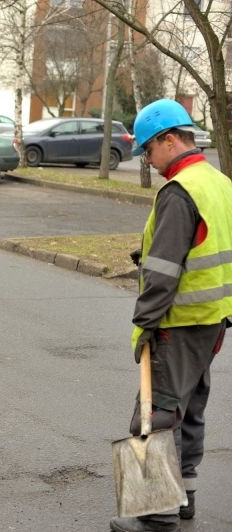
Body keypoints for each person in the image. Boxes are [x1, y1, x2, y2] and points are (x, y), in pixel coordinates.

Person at [111, 99, 232, 532]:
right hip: (212, 321)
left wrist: (144, 324)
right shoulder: (219, 182)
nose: (148, 160)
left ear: (169, 140)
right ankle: (184, 500)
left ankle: (157, 514)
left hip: (176, 325)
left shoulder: (179, 191)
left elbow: (163, 273)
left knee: (157, 413)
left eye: (148, 149)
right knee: (189, 411)